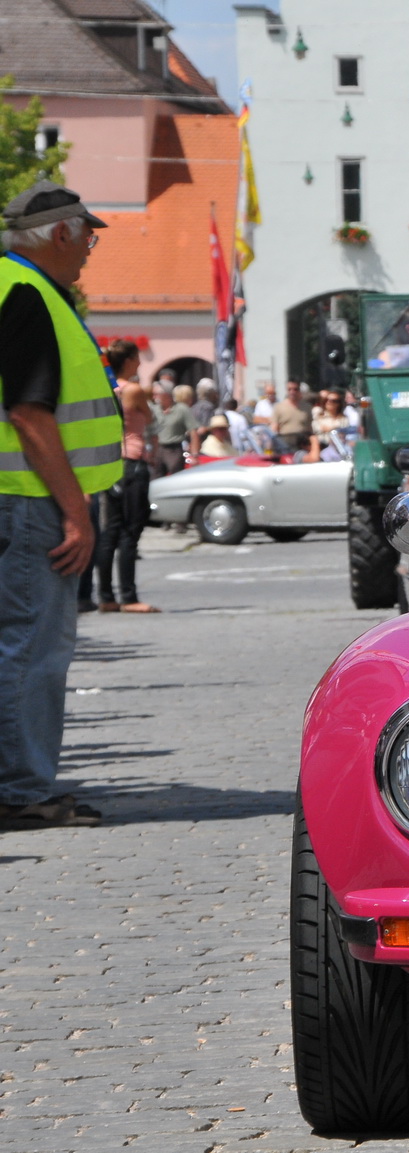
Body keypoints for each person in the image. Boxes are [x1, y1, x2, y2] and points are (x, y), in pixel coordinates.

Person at [0, 180, 121, 829]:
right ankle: (20, 788)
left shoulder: (10, 284)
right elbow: (28, 414)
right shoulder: (28, 292)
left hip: (15, 499)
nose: (91, 248)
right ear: (60, 233)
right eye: (88, 234)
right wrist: (76, 512)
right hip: (26, 501)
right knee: (32, 645)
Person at [90, 339, 158, 614]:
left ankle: (106, 595)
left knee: (111, 531)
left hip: (110, 461)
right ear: (129, 360)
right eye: (137, 357)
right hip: (132, 460)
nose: (140, 362)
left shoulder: (107, 389)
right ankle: (129, 596)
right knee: (131, 530)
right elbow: (150, 418)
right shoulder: (133, 390)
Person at [154, 383, 196, 474]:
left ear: (166, 395)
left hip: (174, 449)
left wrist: (194, 454)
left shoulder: (181, 409)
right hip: (157, 449)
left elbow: (193, 430)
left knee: (176, 476)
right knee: (155, 478)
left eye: (157, 394)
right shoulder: (155, 409)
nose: (154, 397)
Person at [273, 381, 314, 453]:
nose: (292, 392)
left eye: (295, 389)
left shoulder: (307, 407)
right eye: (289, 389)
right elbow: (274, 428)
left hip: (303, 443)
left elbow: (310, 427)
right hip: (285, 443)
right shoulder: (279, 407)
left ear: (299, 390)